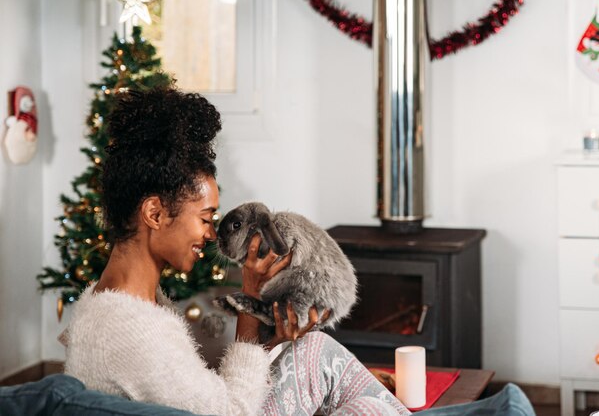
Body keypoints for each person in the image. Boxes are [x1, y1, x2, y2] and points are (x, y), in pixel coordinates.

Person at [63, 86, 410, 416]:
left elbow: (193, 394)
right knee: (368, 410)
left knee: (313, 350)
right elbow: (232, 411)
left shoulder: (118, 301)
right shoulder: (133, 329)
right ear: (154, 214)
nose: (212, 234)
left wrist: (266, 330)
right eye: (205, 218)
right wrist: (250, 299)